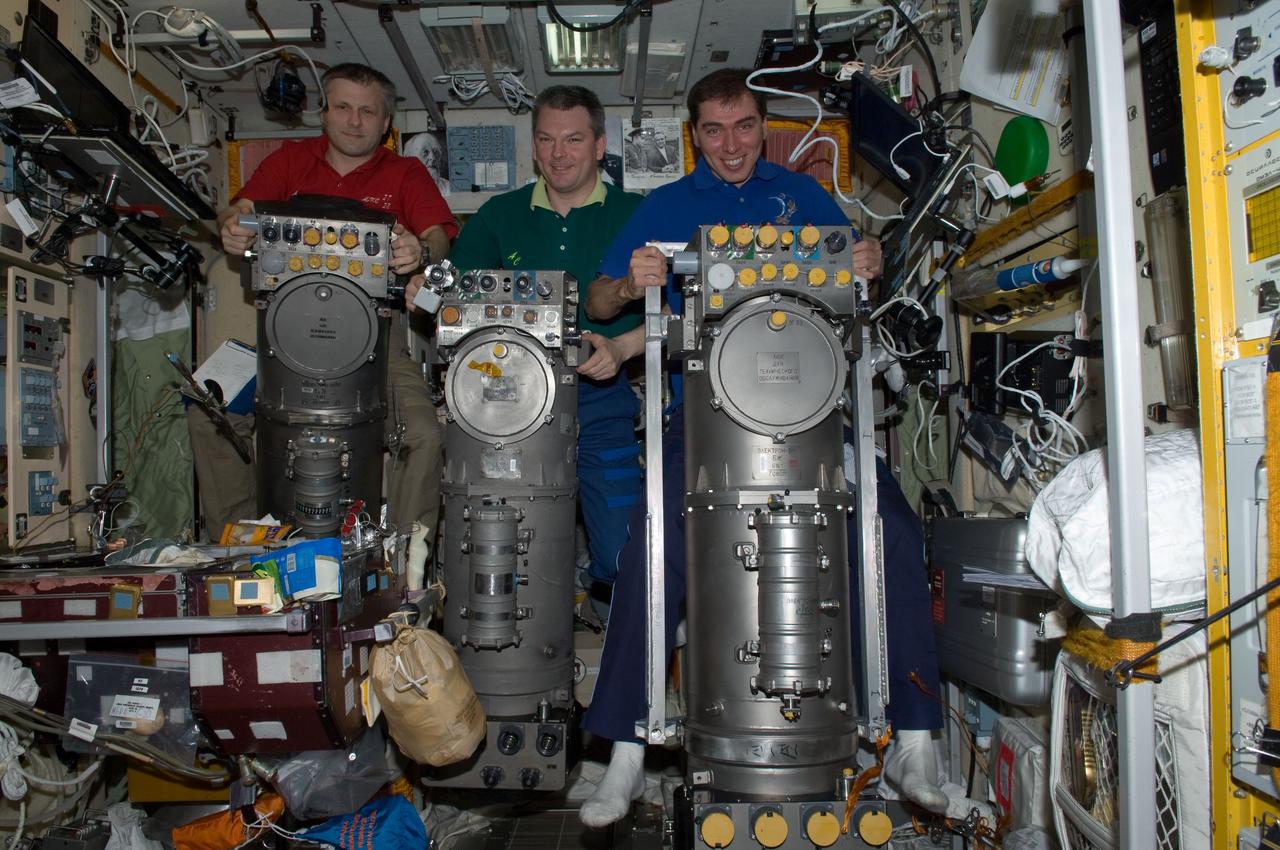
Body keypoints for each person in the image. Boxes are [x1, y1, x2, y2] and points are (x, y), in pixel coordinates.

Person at [576, 68, 946, 827]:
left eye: (743, 126)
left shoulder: (801, 196)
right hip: (704, 426)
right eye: (713, 130)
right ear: (694, 136)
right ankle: (625, 751)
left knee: (894, 535)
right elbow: (600, 298)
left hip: (815, 424)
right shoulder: (668, 206)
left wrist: (869, 259)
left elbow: (856, 262)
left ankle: (915, 739)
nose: (731, 144)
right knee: (649, 546)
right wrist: (630, 279)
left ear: (762, 125)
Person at [406, 85, 645, 606]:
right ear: (534, 149)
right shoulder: (499, 216)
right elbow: (442, 297)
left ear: (600, 146)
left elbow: (677, 309)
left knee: (625, 558)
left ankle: (592, 579)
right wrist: (420, 289)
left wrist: (623, 347)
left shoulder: (636, 214)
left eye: (574, 139)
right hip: (506, 407)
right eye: (547, 140)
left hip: (599, 401)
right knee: (510, 556)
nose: (559, 153)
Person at [210, 63, 457, 557]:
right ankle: (238, 550)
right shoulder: (290, 161)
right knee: (207, 409)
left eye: (368, 112)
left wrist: (421, 254)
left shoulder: (404, 174)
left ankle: (400, 565)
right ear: (323, 112)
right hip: (278, 341)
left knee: (425, 435)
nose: (353, 120)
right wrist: (234, 223)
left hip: (375, 343)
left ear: (386, 123)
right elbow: (237, 210)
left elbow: (439, 236)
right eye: (342, 107)